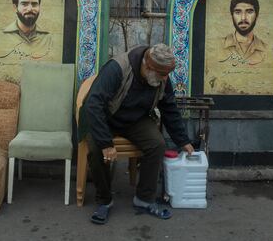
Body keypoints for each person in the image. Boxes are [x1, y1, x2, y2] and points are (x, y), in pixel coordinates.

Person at [80, 43, 193, 224]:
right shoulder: (117, 68)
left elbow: (169, 107)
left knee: (157, 144)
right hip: (107, 117)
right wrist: (106, 143)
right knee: (96, 149)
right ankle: (104, 201)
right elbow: (94, 105)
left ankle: (144, 199)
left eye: (166, 75)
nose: (165, 78)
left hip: (136, 120)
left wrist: (183, 140)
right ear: (148, 66)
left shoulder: (162, 75)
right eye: (162, 74)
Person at [0, 0, 55, 80]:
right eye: (24, 4)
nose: (30, 9)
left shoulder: (49, 38)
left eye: (34, 4)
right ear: (15, 7)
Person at [214, 0, 268, 67]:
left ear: (257, 16)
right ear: (232, 16)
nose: (243, 18)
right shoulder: (216, 46)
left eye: (249, 12)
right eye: (238, 12)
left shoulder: (267, 49)